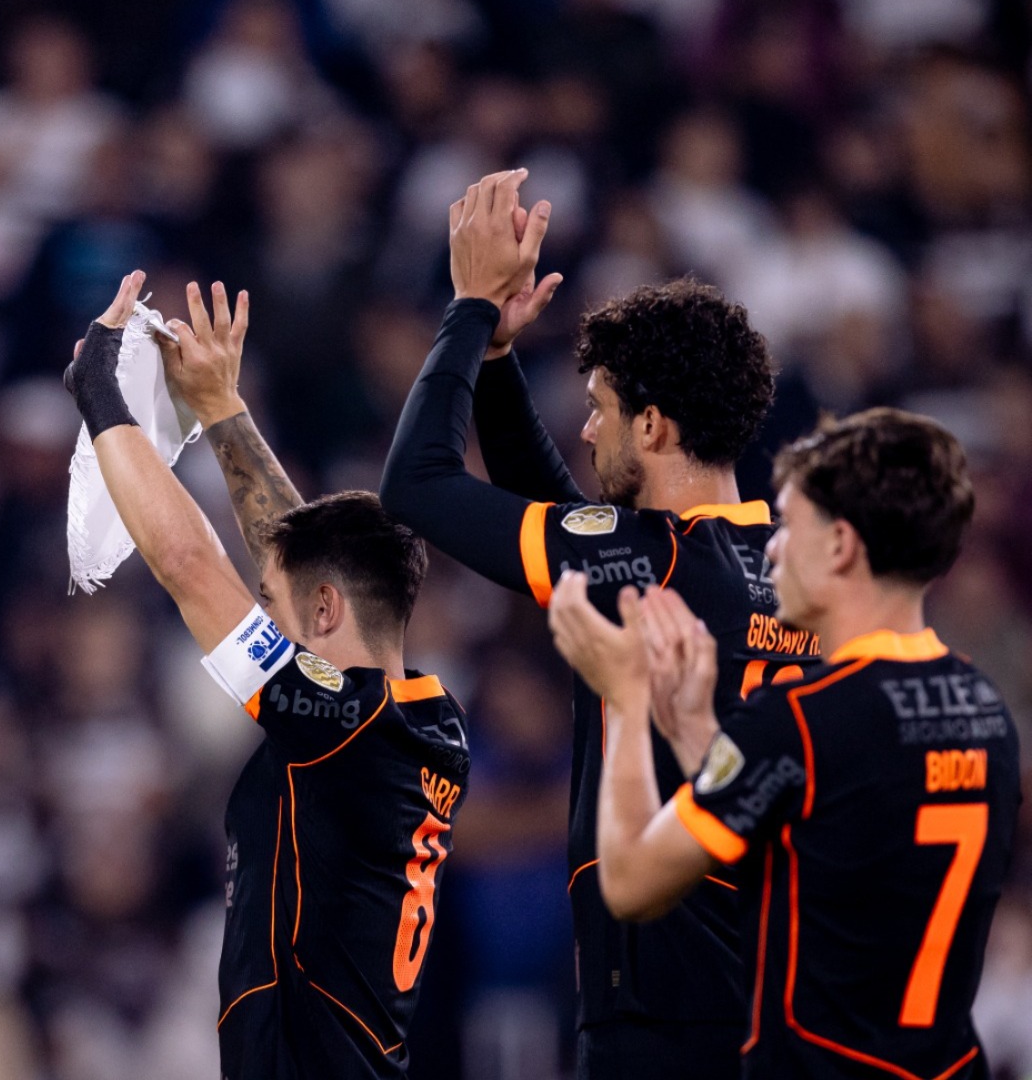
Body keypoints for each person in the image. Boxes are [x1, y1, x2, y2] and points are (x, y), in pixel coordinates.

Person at [380, 168, 819, 1077]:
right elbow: (567, 518)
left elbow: (416, 485)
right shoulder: (787, 565)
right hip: (784, 998)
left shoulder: (643, 559)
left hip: (661, 1015)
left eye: (601, 412)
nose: (586, 433)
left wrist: (466, 311)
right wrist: (498, 361)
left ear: (653, 426)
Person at [67, 271, 469, 1079]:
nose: (260, 620)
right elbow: (299, 558)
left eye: (269, 608)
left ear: (323, 613)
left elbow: (187, 566)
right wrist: (219, 406)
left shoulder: (342, 726)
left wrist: (100, 396)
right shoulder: (417, 720)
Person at [548, 407, 1020, 1079]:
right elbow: (814, 844)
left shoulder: (801, 719)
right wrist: (693, 735)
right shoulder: (985, 710)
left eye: (790, 525)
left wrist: (624, 699)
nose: (770, 547)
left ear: (841, 547)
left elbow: (628, 884)